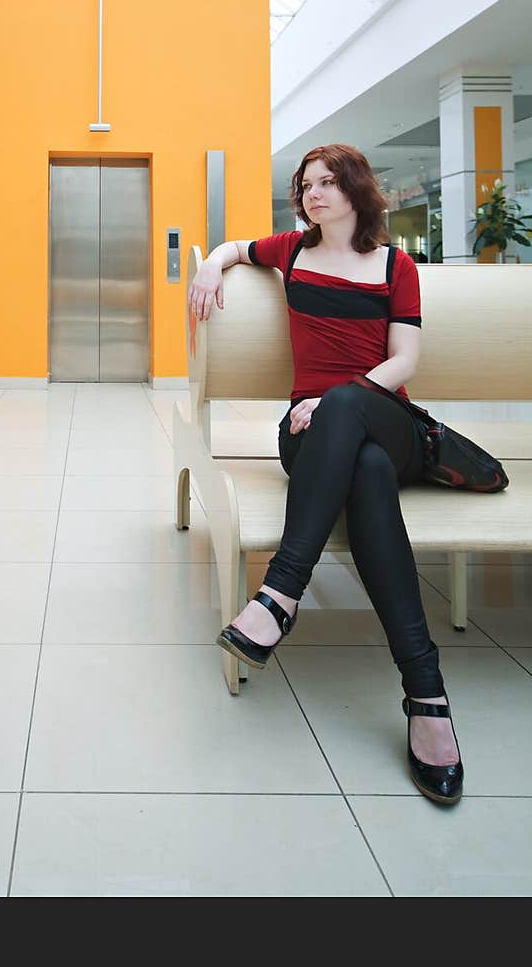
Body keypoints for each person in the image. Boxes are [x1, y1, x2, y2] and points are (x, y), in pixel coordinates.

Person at [187, 143, 463, 805]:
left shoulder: (396, 264)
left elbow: (405, 361)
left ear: (357, 190)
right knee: (362, 471)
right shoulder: (291, 251)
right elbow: (233, 247)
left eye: (328, 183)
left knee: (351, 414)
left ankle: (279, 597)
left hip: (381, 419)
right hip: (308, 438)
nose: (313, 194)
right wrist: (210, 269)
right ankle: (426, 692)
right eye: (305, 184)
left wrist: (342, 397)